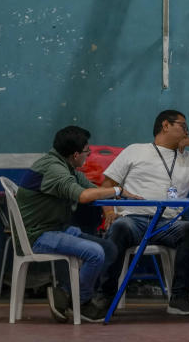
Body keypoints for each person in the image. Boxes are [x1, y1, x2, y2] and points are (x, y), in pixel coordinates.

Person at [98, 109, 189, 315]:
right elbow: (107, 184)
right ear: (165, 125)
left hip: (168, 223)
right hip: (134, 219)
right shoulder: (135, 150)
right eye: (183, 126)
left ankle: (179, 299)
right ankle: (105, 298)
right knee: (119, 227)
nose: (187, 131)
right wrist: (108, 211)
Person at [16, 125, 140, 323]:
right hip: (37, 235)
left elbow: (92, 190)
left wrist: (120, 200)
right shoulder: (54, 170)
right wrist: (117, 191)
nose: (88, 155)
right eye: (86, 152)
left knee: (108, 248)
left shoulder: (66, 167)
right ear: (75, 154)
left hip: (55, 229)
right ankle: (81, 304)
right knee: (95, 253)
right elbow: (83, 196)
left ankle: (65, 294)